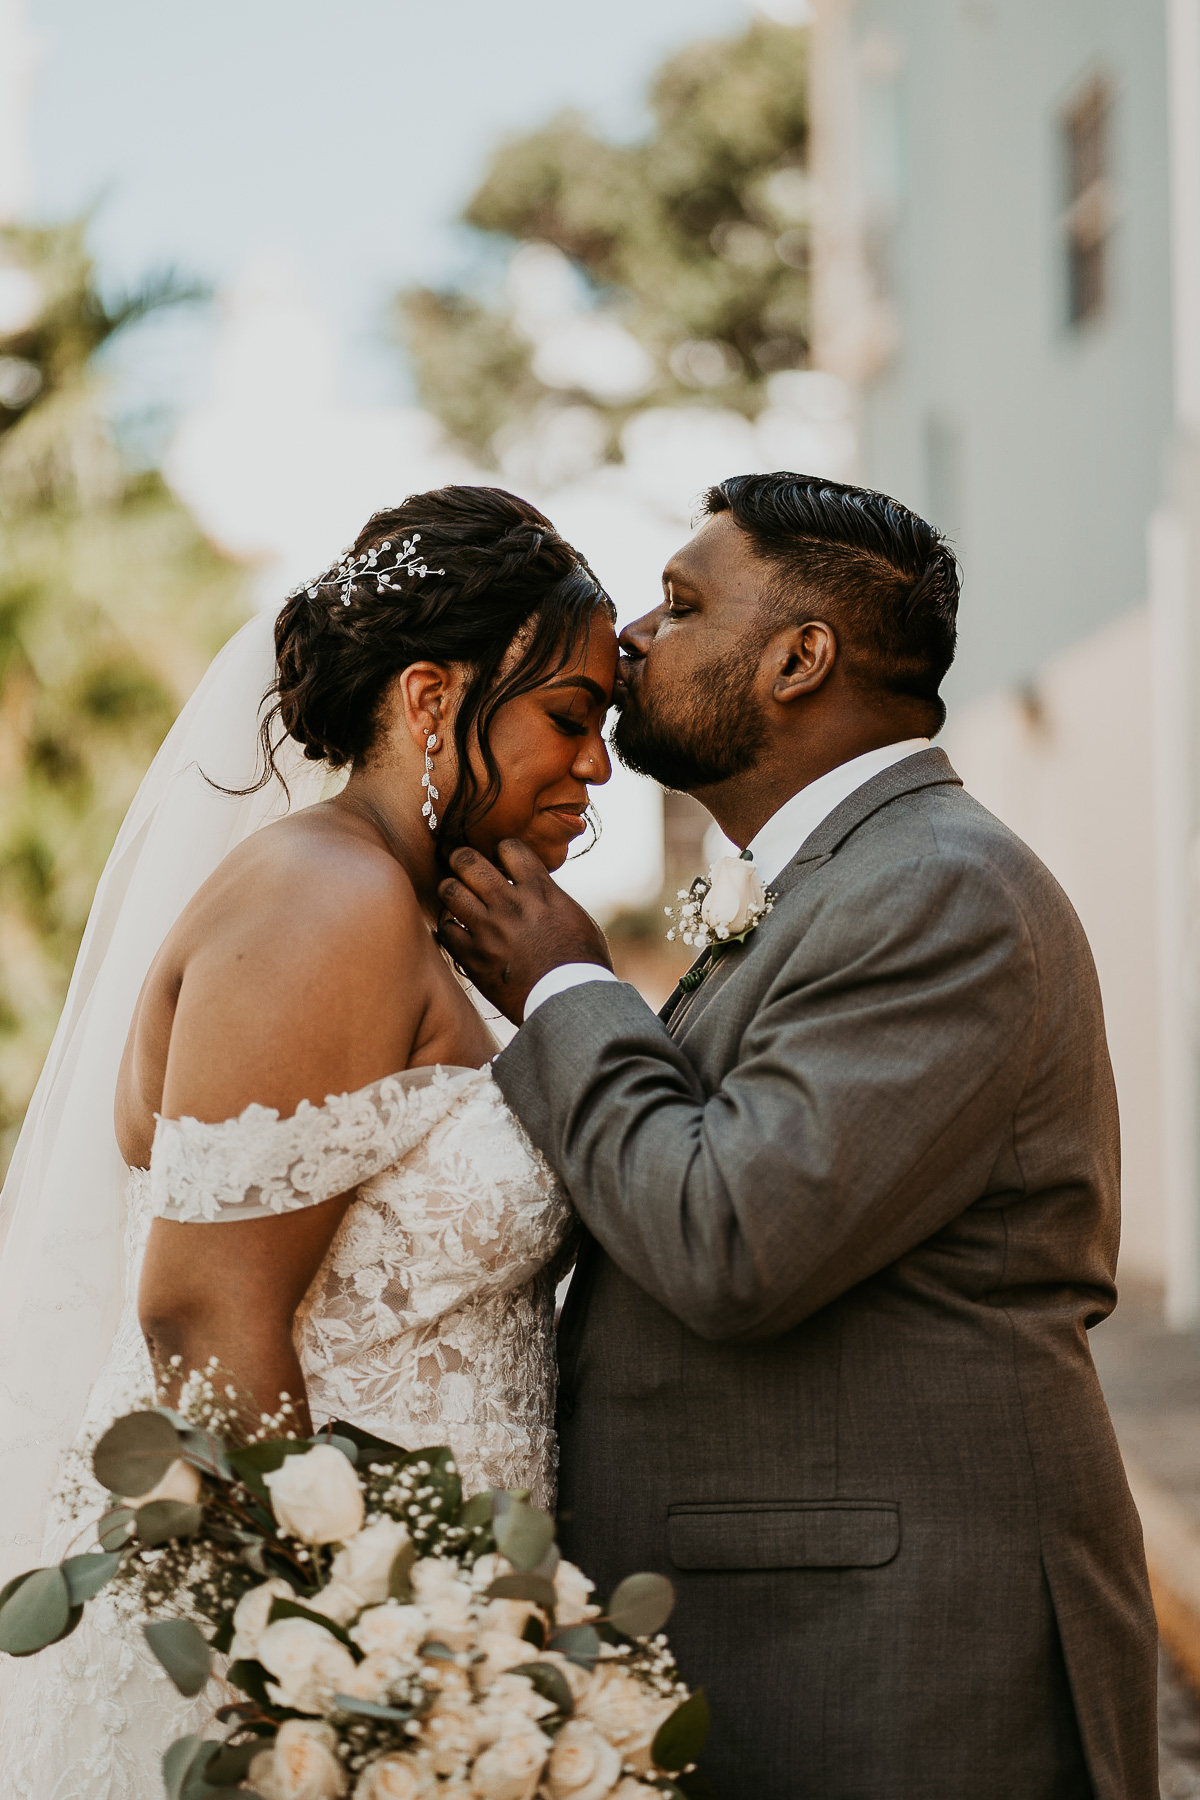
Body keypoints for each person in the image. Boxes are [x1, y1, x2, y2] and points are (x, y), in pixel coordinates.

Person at [438, 472, 1160, 1800]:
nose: (635, 640)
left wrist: (565, 989)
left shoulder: (941, 891)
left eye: (682, 602)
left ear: (799, 657)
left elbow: (732, 1238)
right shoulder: (840, 886)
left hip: (906, 1661)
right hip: (812, 1634)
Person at [0, 485, 617, 1798]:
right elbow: (200, 1310)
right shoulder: (324, 899)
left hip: (428, 1625)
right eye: (571, 715)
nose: (600, 765)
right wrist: (339, 1670)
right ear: (433, 701)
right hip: (312, 1664)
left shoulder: (394, 910)